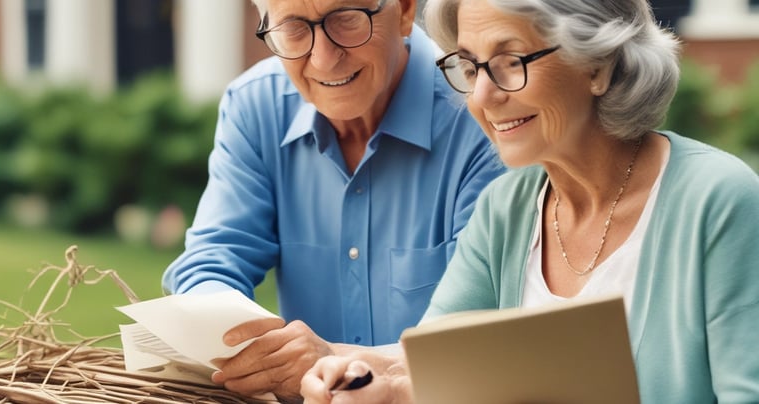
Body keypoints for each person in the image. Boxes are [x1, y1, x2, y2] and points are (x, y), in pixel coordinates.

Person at [300, 0, 759, 402]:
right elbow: (436, 367)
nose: (483, 96)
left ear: (597, 66)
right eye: (470, 68)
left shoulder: (717, 200)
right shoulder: (505, 207)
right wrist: (381, 388)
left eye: (511, 61)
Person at [161, 0, 504, 400]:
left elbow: (485, 334)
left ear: (405, 10)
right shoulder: (255, 106)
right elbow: (214, 259)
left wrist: (335, 362)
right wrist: (227, 333)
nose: (323, 59)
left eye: (347, 20)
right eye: (293, 28)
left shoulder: (484, 112)